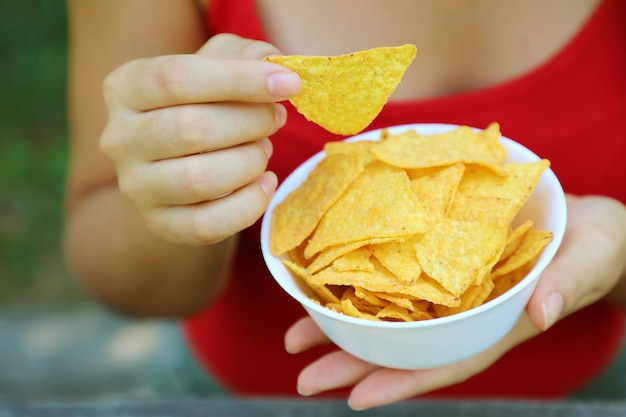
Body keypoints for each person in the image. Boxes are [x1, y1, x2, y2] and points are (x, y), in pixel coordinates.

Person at [64, 0, 626, 410]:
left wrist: (617, 252)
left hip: (583, 394)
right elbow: (108, 261)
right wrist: (176, 202)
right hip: (248, 397)